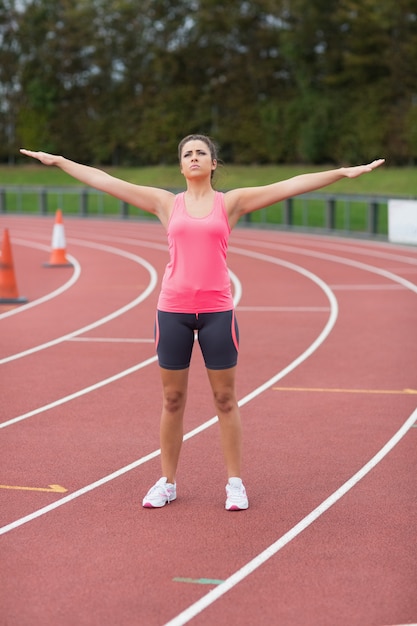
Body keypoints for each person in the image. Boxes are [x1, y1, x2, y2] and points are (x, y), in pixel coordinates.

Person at [20, 137, 384, 510]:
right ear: (181, 166)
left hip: (217, 312)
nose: (194, 158)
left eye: (201, 153)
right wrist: (62, 160)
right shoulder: (166, 204)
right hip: (173, 311)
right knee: (172, 399)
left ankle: (235, 483)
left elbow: (289, 185)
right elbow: (106, 181)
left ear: (213, 164)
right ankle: (167, 481)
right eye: (187, 154)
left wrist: (342, 172)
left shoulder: (231, 203)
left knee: (225, 399)